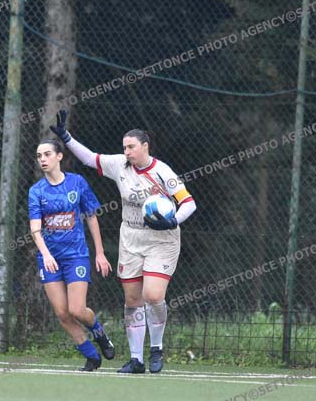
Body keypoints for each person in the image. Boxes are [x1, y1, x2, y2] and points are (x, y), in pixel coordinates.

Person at [50, 110, 197, 374]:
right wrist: (66, 137)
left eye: (131, 147)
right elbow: (90, 158)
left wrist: (173, 220)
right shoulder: (120, 165)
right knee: (132, 300)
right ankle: (136, 360)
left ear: (145, 146)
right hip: (130, 237)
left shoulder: (162, 171)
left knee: (153, 295)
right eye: (124, 147)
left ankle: (157, 348)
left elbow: (189, 203)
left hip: (161, 239)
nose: (126, 152)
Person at [28, 139, 115, 371]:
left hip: (76, 255)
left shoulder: (77, 182)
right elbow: (35, 228)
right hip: (50, 258)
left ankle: (100, 334)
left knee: (77, 309)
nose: (42, 159)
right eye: (39, 156)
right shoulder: (36, 191)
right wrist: (46, 254)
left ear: (59, 156)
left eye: (47, 154)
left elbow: (91, 216)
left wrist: (100, 253)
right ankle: (91, 356)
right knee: (62, 314)